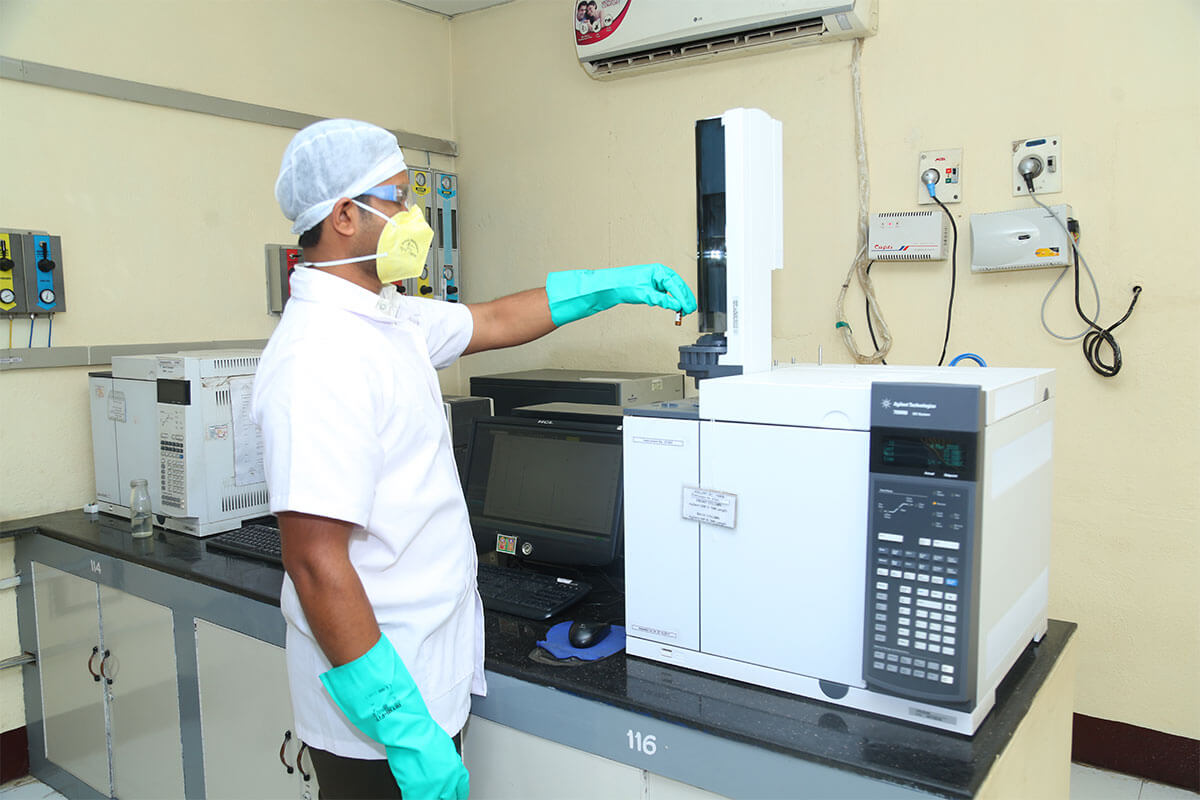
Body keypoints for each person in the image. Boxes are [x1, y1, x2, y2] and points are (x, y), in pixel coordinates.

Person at [252, 118, 696, 800]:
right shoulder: (318, 360)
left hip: (422, 672)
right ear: (344, 215)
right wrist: (404, 728)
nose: (414, 218)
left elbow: (489, 322)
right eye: (396, 199)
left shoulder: (383, 315)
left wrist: (610, 286)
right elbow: (315, 563)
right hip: (379, 708)